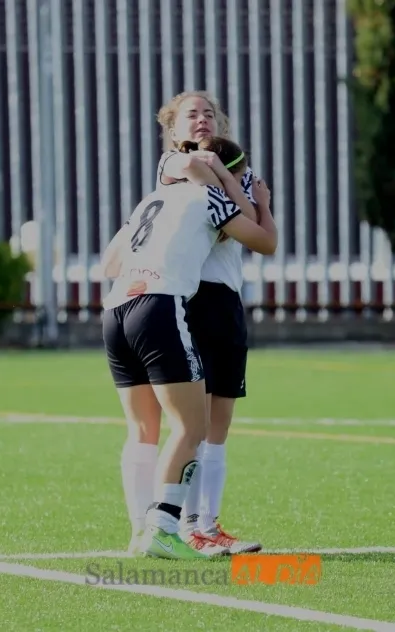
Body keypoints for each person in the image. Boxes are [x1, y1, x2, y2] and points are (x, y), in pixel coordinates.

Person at [100, 136, 277, 560]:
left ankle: (144, 528)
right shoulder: (211, 199)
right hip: (159, 306)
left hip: (115, 310)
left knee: (147, 428)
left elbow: (110, 263)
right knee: (192, 428)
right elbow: (264, 240)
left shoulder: (151, 199)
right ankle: (164, 528)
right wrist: (260, 202)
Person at [155, 91, 269, 555]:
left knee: (219, 426)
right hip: (189, 299)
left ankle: (209, 524)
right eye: (191, 114)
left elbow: (262, 229)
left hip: (227, 302)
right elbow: (236, 218)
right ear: (173, 127)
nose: (202, 120)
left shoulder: (231, 170)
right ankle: (179, 524)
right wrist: (241, 186)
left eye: (209, 114)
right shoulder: (175, 166)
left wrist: (253, 194)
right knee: (193, 425)